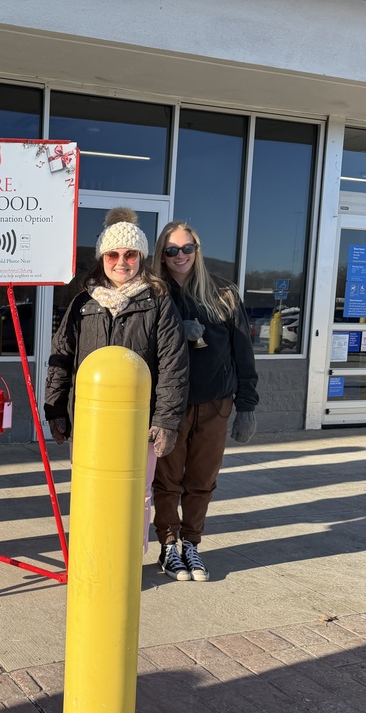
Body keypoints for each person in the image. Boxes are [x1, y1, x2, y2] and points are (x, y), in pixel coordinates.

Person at [44, 208, 188, 552]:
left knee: (137, 491)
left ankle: (126, 558)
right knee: (89, 486)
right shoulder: (83, 303)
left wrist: (166, 420)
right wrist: (55, 410)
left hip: (138, 421)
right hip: (89, 418)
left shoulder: (158, 303)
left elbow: (173, 365)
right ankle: (89, 551)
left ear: (141, 258)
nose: (121, 261)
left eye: (130, 254)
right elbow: (60, 358)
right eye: (113, 254)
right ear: (102, 257)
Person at [151, 221, 258, 581]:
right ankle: (168, 546)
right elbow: (138, 344)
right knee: (167, 480)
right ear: (161, 255)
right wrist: (175, 332)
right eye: (171, 250)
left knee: (202, 479)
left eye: (187, 248)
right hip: (169, 405)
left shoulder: (223, 292)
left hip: (215, 403)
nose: (180, 256)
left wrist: (246, 404)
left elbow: (242, 350)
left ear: (198, 249)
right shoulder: (153, 294)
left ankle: (191, 543)